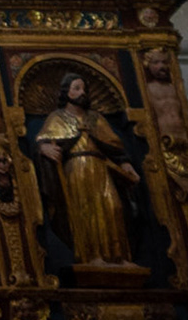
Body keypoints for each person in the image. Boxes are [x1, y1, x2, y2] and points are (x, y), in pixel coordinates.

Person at [34, 72, 140, 266]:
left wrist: (125, 163)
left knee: (113, 207)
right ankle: (93, 256)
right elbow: (43, 140)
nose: (82, 92)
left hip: (102, 167)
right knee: (86, 211)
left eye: (83, 88)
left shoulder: (95, 118)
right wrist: (44, 148)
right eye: (76, 88)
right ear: (66, 92)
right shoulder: (57, 118)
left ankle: (120, 256)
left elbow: (113, 146)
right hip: (76, 168)